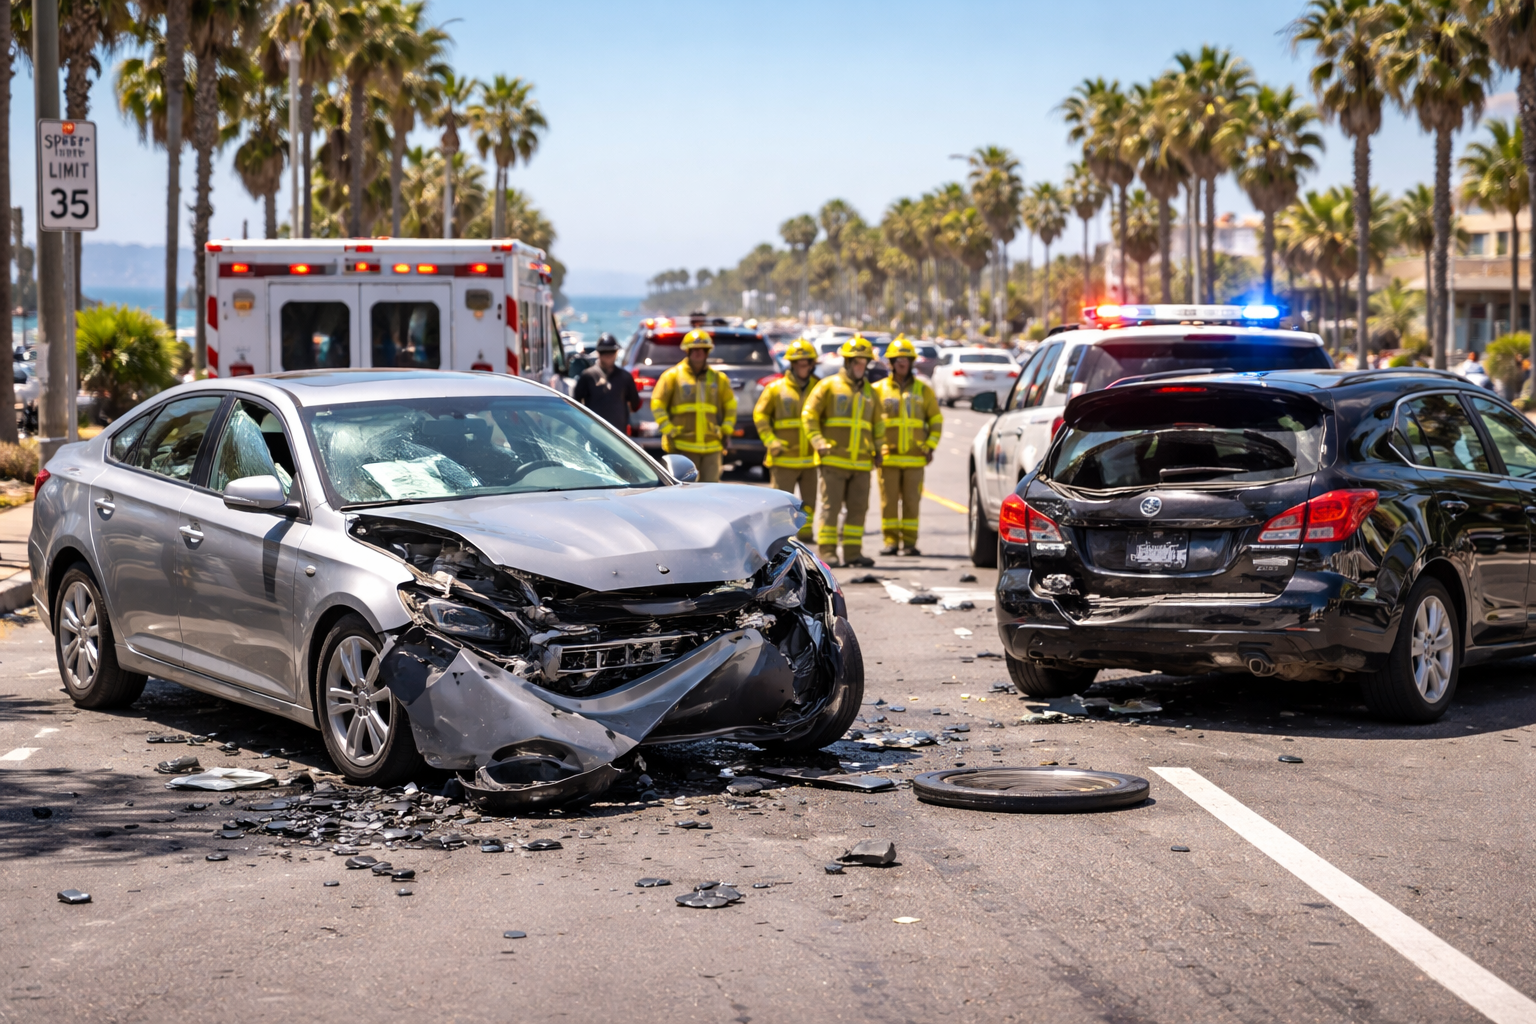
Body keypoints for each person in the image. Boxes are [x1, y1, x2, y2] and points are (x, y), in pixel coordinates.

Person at [802, 335, 883, 567]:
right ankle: (828, 553)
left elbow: (878, 425)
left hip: (862, 464)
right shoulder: (828, 386)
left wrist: (879, 451)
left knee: (858, 509)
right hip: (834, 461)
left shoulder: (871, 393)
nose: (860, 366)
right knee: (831, 509)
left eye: (864, 362)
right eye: (857, 362)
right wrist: (818, 442)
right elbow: (809, 415)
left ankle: (853, 553)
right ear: (847, 362)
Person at [873, 336, 942, 556]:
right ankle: (891, 542)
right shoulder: (877, 390)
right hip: (888, 457)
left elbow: (936, 420)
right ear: (891, 362)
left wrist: (930, 446)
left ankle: (910, 544)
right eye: (898, 359)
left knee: (912, 502)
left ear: (912, 362)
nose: (902, 363)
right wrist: (874, 449)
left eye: (906, 359)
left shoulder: (924, 390)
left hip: (915, 458)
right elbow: (869, 422)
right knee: (889, 503)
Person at [650, 328, 736, 482]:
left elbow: (730, 406)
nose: (698, 353)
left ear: (707, 352)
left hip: (712, 445)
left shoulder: (719, 379)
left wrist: (726, 430)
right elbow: (657, 403)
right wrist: (668, 429)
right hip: (683, 445)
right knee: (685, 490)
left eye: (702, 349)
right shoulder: (672, 376)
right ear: (687, 351)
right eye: (694, 349)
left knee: (711, 490)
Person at [754, 338, 819, 541]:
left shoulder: (819, 388)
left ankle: (806, 535)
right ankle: (780, 539)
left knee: (809, 503)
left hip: (810, 459)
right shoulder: (775, 388)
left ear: (812, 364)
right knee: (780, 506)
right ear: (792, 364)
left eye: (806, 363)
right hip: (783, 458)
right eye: (799, 363)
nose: (803, 367)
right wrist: (770, 441)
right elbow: (760, 415)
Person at [571, 333, 640, 434]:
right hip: (594, 434)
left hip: (619, 435)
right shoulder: (588, 376)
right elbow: (575, 404)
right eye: (604, 352)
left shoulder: (625, 377)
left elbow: (635, 404)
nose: (608, 355)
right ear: (598, 353)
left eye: (611, 351)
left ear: (616, 352)